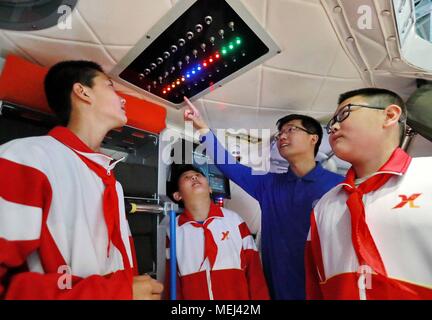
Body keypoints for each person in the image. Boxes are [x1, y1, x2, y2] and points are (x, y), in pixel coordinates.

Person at [0, 60, 163, 299]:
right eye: (110, 86)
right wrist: (116, 294)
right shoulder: (24, 159)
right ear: (82, 91)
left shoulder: (111, 183)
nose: (123, 99)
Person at [183, 97, 344, 299]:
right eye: (280, 133)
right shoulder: (269, 184)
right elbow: (231, 167)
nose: (282, 136)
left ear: (313, 138)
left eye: (291, 130)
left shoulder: (338, 185)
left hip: (323, 290)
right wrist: (203, 129)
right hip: (276, 288)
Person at [305, 88, 432, 299]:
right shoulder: (326, 205)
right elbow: (316, 287)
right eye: (331, 124)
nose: (334, 126)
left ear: (390, 115)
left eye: (344, 114)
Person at [164, 164, 270, 300]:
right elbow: (172, 282)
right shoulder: (174, 230)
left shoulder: (235, 221)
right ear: (178, 195)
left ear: (209, 188)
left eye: (198, 175)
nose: (194, 177)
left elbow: (255, 274)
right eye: (187, 177)